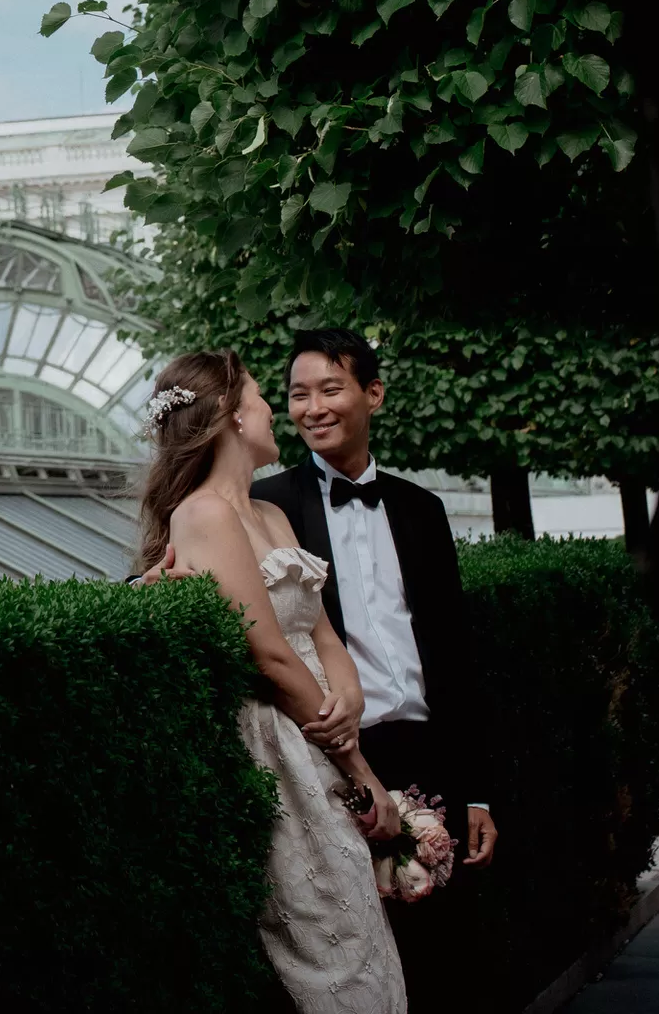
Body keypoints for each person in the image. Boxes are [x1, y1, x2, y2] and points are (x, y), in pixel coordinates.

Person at [146, 329, 498, 1013]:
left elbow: (452, 654)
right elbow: (227, 602)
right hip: (318, 744)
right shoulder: (255, 499)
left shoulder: (418, 511)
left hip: (405, 738)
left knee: (439, 954)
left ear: (373, 394)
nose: (306, 408)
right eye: (291, 394)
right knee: (336, 937)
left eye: (328, 389)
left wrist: (475, 789)